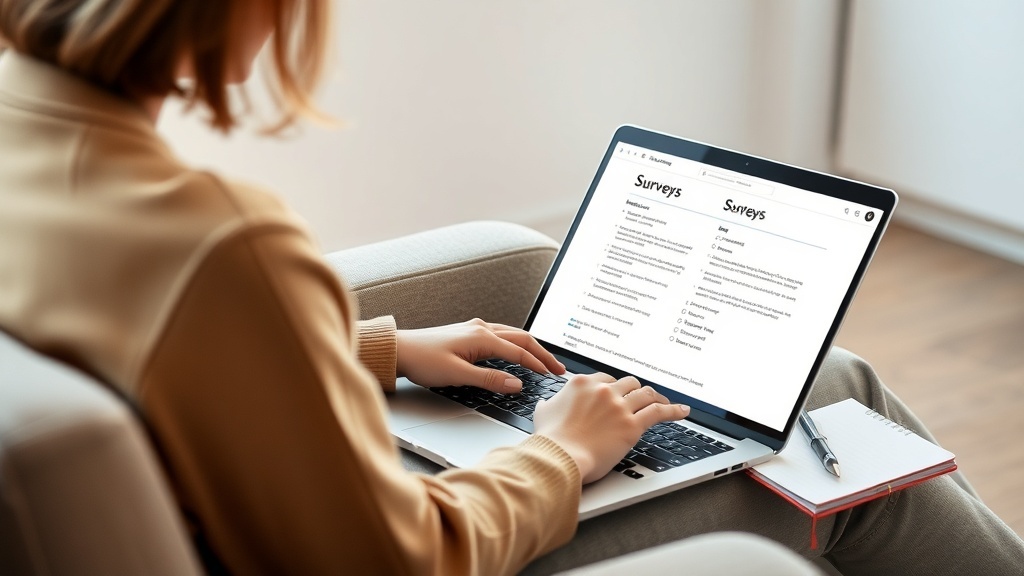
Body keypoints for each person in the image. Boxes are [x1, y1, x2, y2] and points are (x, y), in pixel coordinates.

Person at [0, 2, 1020, 575]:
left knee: (828, 378)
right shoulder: (220, 244)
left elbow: (150, 349)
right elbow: (401, 563)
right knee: (843, 471)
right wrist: (562, 454)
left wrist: (383, 352)